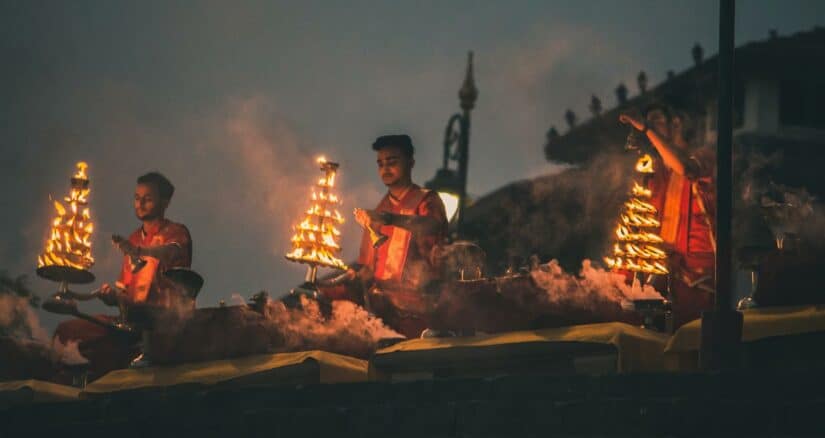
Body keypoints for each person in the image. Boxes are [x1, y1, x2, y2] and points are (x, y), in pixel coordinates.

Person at [53, 172, 192, 377]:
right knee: (67, 332)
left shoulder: (176, 232)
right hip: (129, 323)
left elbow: (171, 252)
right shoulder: (133, 238)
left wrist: (139, 252)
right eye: (137, 198)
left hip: (160, 323)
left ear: (165, 202)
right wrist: (112, 296)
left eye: (148, 199)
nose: (140, 203)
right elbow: (124, 294)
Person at [323, 135, 448, 338]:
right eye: (380, 164)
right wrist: (340, 280)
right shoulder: (378, 211)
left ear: (411, 163)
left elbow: (432, 225)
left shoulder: (426, 200)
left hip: (421, 313)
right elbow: (367, 269)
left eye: (392, 162)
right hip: (384, 315)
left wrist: (389, 219)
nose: (385, 169)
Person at [620, 102, 716, 328]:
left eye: (657, 121)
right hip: (664, 269)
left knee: (691, 336)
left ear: (677, 123)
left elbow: (686, 169)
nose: (652, 127)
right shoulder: (659, 169)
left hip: (697, 275)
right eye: (650, 122)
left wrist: (646, 129)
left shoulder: (704, 157)